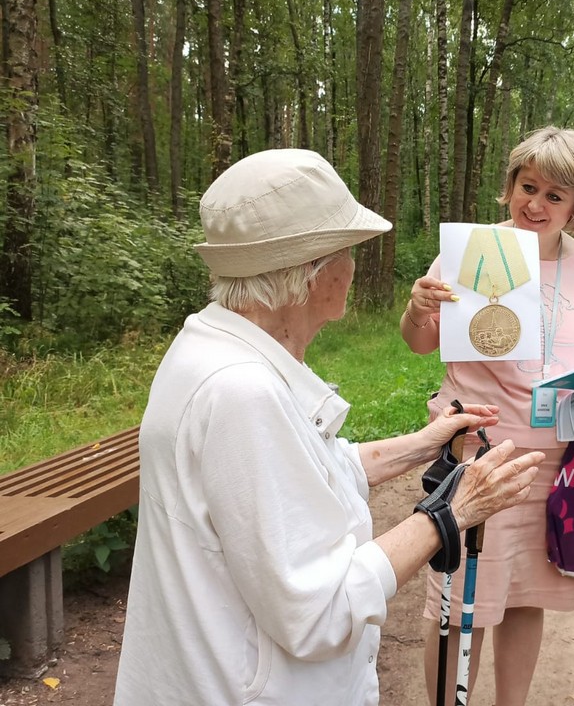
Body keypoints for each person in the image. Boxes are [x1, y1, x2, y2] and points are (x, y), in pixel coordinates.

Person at [113, 149, 545, 706]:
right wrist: (453, 512)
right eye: (347, 252)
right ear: (310, 273)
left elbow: (304, 470)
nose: (354, 267)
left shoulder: (213, 346)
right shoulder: (242, 392)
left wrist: (422, 445)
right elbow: (321, 608)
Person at [401, 126, 574, 705]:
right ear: (511, 185)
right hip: (478, 455)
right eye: (528, 186)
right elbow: (419, 342)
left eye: (554, 195)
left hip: (551, 461)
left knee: (525, 597)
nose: (536, 204)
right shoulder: (471, 251)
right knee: (457, 606)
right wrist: (418, 308)